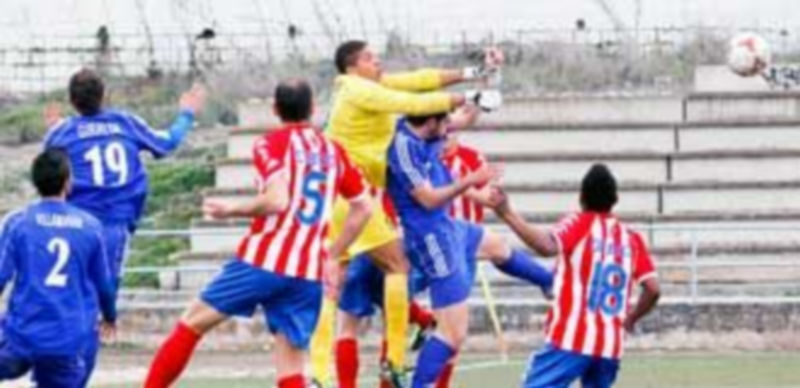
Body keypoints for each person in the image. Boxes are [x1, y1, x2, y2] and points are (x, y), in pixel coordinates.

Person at [143, 78, 372, 388]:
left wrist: (231, 209)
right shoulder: (335, 152)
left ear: (275, 109)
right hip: (307, 272)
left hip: (264, 261)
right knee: (290, 365)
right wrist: (333, 255)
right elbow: (364, 208)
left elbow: (278, 200)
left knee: (191, 324)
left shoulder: (270, 143)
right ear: (314, 109)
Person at [313, 40, 504, 387]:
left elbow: (420, 80)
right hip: (355, 198)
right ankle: (394, 361)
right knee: (394, 269)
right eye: (370, 58)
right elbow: (409, 101)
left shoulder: (370, 89)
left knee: (340, 287)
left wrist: (477, 74)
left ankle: (324, 374)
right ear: (351, 67)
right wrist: (470, 96)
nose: (379, 61)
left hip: (350, 196)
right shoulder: (358, 90)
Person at [385, 112, 553, 388]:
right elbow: (427, 200)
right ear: (431, 123)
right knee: (452, 333)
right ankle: (415, 380)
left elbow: (462, 121)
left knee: (496, 245)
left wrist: (480, 87)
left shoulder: (425, 133)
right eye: (445, 125)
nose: (450, 130)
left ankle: (549, 281)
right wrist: (472, 179)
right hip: (431, 239)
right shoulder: (404, 148)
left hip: (448, 226)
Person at [488, 163, 661, 388]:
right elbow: (653, 289)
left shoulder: (580, 223)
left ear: (582, 198)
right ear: (615, 199)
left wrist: (507, 213)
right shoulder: (631, 239)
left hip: (572, 339)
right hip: (610, 346)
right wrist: (631, 318)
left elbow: (547, 246)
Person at [0, 149, 117, 387]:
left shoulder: (18, 222)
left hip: (22, 337)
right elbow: (104, 285)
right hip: (67, 338)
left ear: (35, 182)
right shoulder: (90, 226)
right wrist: (110, 317)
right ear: (68, 182)